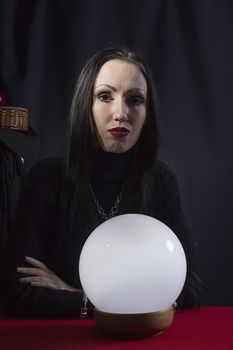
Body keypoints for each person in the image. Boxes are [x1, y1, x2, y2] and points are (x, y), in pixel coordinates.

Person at [4, 46, 200, 319]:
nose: (121, 113)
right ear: (86, 106)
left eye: (135, 100)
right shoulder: (47, 179)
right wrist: (108, 304)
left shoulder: (160, 182)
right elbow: (16, 292)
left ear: (147, 116)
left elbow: (186, 291)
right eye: (105, 96)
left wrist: (75, 295)